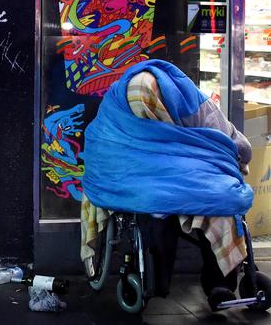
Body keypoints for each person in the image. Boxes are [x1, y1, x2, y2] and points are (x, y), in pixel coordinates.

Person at [81, 60, 252, 309]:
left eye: (153, 111)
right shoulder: (117, 111)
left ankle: (221, 285)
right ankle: (156, 283)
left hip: (193, 173)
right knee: (155, 210)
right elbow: (102, 148)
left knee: (222, 207)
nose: (149, 118)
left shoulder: (192, 104)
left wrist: (238, 159)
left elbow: (231, 139)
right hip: (142, 181)